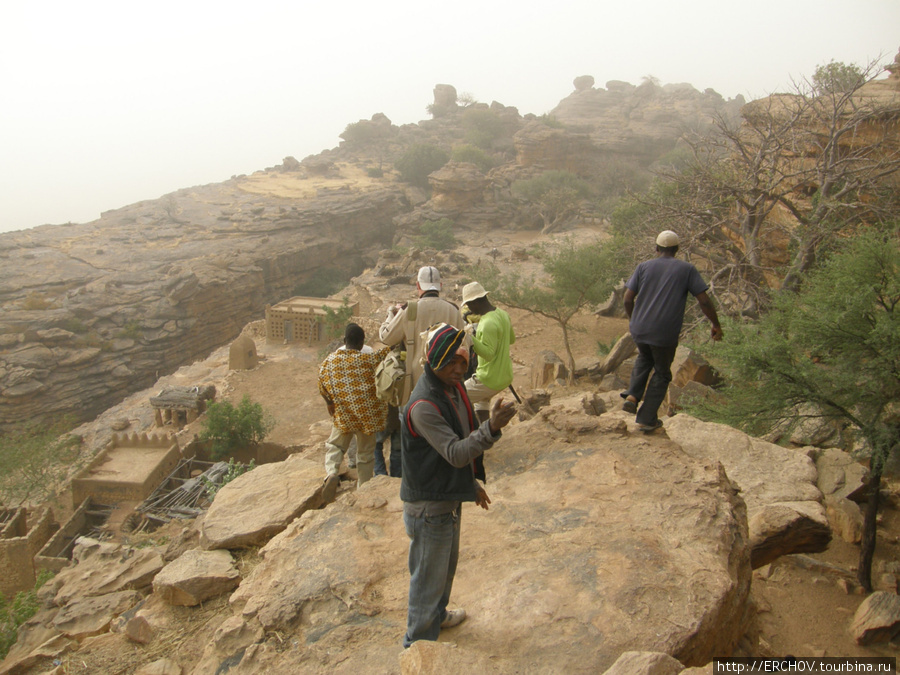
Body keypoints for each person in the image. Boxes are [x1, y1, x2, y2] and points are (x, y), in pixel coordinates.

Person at [400, 323, 517, 648]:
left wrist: (472, 484)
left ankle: (436, 617)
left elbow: (462, 436)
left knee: (443, 571)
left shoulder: (452, 388)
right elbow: (454, 452)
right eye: (450, 362)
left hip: (446, 497)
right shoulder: (424, 406)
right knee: (426, 578)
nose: (458, 369)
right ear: (433, 361)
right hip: (429, 507)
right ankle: (417, 645)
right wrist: (490, 428)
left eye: (463, 362)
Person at [621, 230, 723, 432]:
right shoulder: (687, 269)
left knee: (644, 357)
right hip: (664, 333)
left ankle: (632, 396)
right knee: (662, 372)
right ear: (677, 249)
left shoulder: (643, 267)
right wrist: (716, 324)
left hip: (640, 328)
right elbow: (703, 300)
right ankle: (647, 418)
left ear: (656, 248)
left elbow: (627, 298)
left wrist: (634, 320)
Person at [318, 323, 390, 501]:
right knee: (365, 454)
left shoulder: (329, 361)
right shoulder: (368, 359)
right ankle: (363, 488)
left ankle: (332, 472)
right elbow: (386, 352)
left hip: (343, 415)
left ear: (344, 341)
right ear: (361, 343)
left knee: (335, 445)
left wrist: (329, 403)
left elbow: (321, 385)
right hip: (367, 418)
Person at [379, 266, 463, 405]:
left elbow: (386, 338)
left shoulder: (409, 309)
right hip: (447, 383)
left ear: (418, 285)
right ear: (440, 286)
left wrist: (390, 315)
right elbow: (465, 345)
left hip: (414, 385)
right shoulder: (453, 310)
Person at [460, 282, 516, 423]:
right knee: (481, 403)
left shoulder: (486, 323)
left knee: (455, 397)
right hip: (504, 376)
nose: (469, 309)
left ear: (475, 302)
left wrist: (470, 338)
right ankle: (487, 434)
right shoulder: (503, 314)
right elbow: (511, 339)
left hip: (488, 379)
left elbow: (489, 354)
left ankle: (463, 435)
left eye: (469, 305)